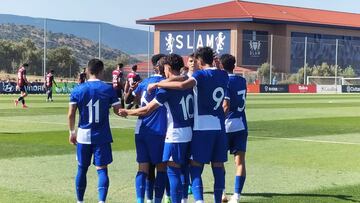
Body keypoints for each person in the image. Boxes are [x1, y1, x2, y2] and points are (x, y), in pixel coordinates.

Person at [148, 47, 229, 203]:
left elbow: (182, 85)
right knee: (218, 167)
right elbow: (215, 73)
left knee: (196, 168)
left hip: (201, 128)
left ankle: (199, 200)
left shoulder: (200, 75)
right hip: (219, 127)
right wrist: (217, 65)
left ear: (199, 60)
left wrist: (158, 85)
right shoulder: (223, 74)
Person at [120, 54, 193, 203]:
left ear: (166, 67)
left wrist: (127, 111)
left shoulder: (156, 85)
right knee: (173, 169)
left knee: (149, 169)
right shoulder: (189, 81)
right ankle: (169, 198)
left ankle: (148, 200)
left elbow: (142, 107)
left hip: (155, 130)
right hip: (179, 131)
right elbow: (181, 80)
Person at [68, 59, 122, 203]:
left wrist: (72, 132)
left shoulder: (78, 89)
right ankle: (101, 201)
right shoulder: (108, 89)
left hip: (83, 135)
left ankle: (80, 201)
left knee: (81, 168)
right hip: (102, 135)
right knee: (102, 170)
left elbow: (71, 114)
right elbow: (119, 111)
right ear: (101, 71)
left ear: (87, 71)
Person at [124, 54, 167, 203]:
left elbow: (128, 99)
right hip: (159, 130)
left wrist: (130, 89)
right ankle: (156, 200)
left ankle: (143, 200)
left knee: (143, 168)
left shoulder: (144, 82)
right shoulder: (166, 83)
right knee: (161, 168)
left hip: (141, 129)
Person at [219, 54, 248, 203]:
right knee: (240, 162)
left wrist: (218, 119)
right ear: (234, 65)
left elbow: (225, 105)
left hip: (226, 124)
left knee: (219, 161)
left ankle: (222, 193)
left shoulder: (225, 81)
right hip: (241, 124)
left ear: (221, 66)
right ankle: (236, 196)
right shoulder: (242, 80)